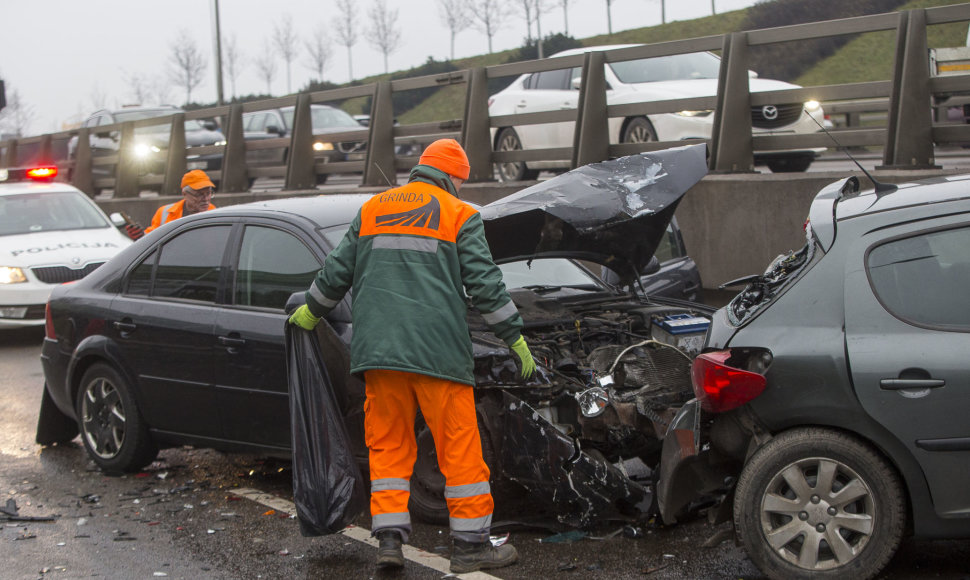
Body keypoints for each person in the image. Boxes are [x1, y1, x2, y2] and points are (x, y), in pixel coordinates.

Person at [288, 138, 536, 573]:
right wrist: (513, 336)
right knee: (458, 450)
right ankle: (472, 547)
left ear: (421, 170)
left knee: (387, 447)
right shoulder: (459, 214)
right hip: (438, 355)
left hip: (379, 356)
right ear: (454, 178)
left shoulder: (372, 210)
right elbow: (485, 284)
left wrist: (310, 310)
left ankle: (388, 543)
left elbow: (337, 270)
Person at [142, 169, 217, 235]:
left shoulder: (215, 214)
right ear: (185, 194)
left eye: (208, 193)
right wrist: (139, 236)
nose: (206, 199)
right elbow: (150, 238)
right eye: (199, 195)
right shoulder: (165, 213)